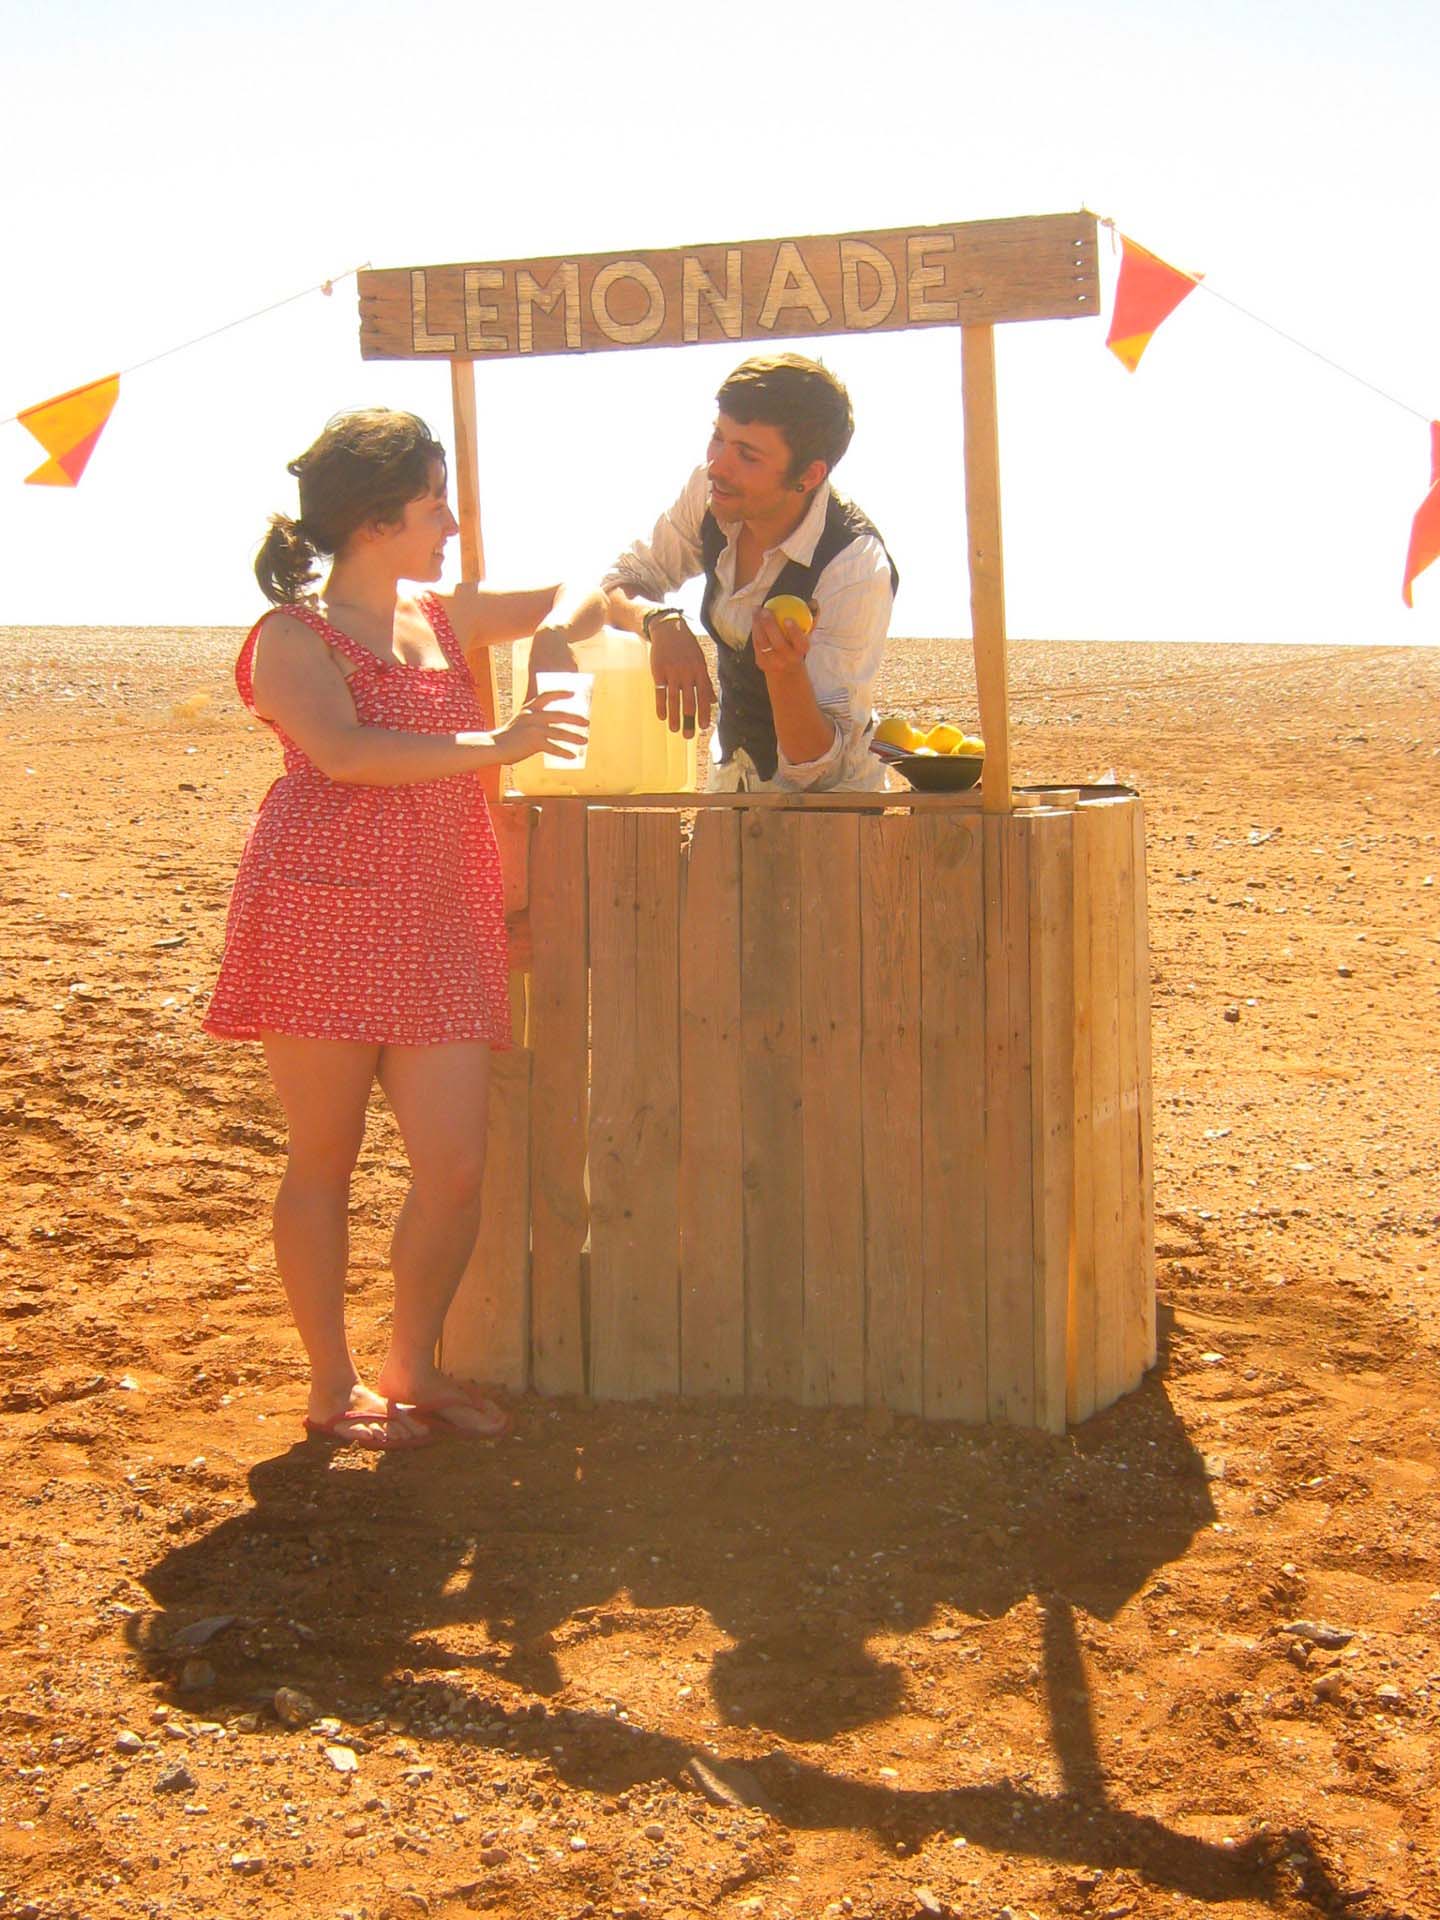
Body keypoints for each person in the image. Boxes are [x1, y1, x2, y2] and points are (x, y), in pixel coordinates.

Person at [204, 408, 599, 1451]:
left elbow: (580, 595)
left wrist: (619, 618)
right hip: (320, 913)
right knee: (323, 1160)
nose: (453, 524)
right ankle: (332, 1386)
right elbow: (346, 753)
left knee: (455, 1165)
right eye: (434, 506)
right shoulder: (293, 636)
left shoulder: (443, 613)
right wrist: (502, 738)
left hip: (437, 918)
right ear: (375, 521)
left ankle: (410, 1364)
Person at [597, 353, 898, 792]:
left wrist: (784, 673)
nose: (718, 464)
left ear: (809, 475)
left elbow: (820, 766)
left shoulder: (855, 568)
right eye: (718, 438)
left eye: (747, 455)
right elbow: (621, 581)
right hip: (731, 789)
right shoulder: (710, 491)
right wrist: (659, 622)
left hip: (832, 818)